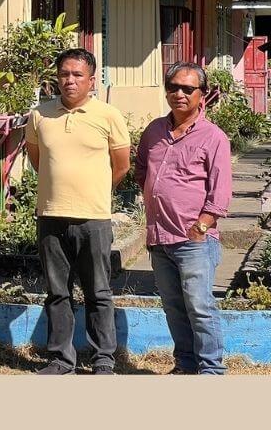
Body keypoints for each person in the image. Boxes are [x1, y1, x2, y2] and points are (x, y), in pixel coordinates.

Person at [26, 48, 130, 375]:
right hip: (51, 217)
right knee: (57, 292)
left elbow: (121, 165)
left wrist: (95, 191)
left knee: (98, 292)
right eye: (64, 74)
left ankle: (103, 361)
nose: (69, 81)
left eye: (77, 75)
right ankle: (60, 359)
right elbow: (37, 159)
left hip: (94, 219)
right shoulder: (40, 115)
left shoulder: (108, 115)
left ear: (92, 79)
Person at [135, 62, 231, 375]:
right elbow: (141, 171)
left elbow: (220, 194)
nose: (179, 94)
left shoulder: (213, 137)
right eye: (173, 87)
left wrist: (200, 227)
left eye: (188, 89)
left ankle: (211, 369)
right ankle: (185, 365)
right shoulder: (154, 131)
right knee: (174, 307)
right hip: (159, 239)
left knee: (200, 307)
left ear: (202, 95)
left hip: (194, 240)